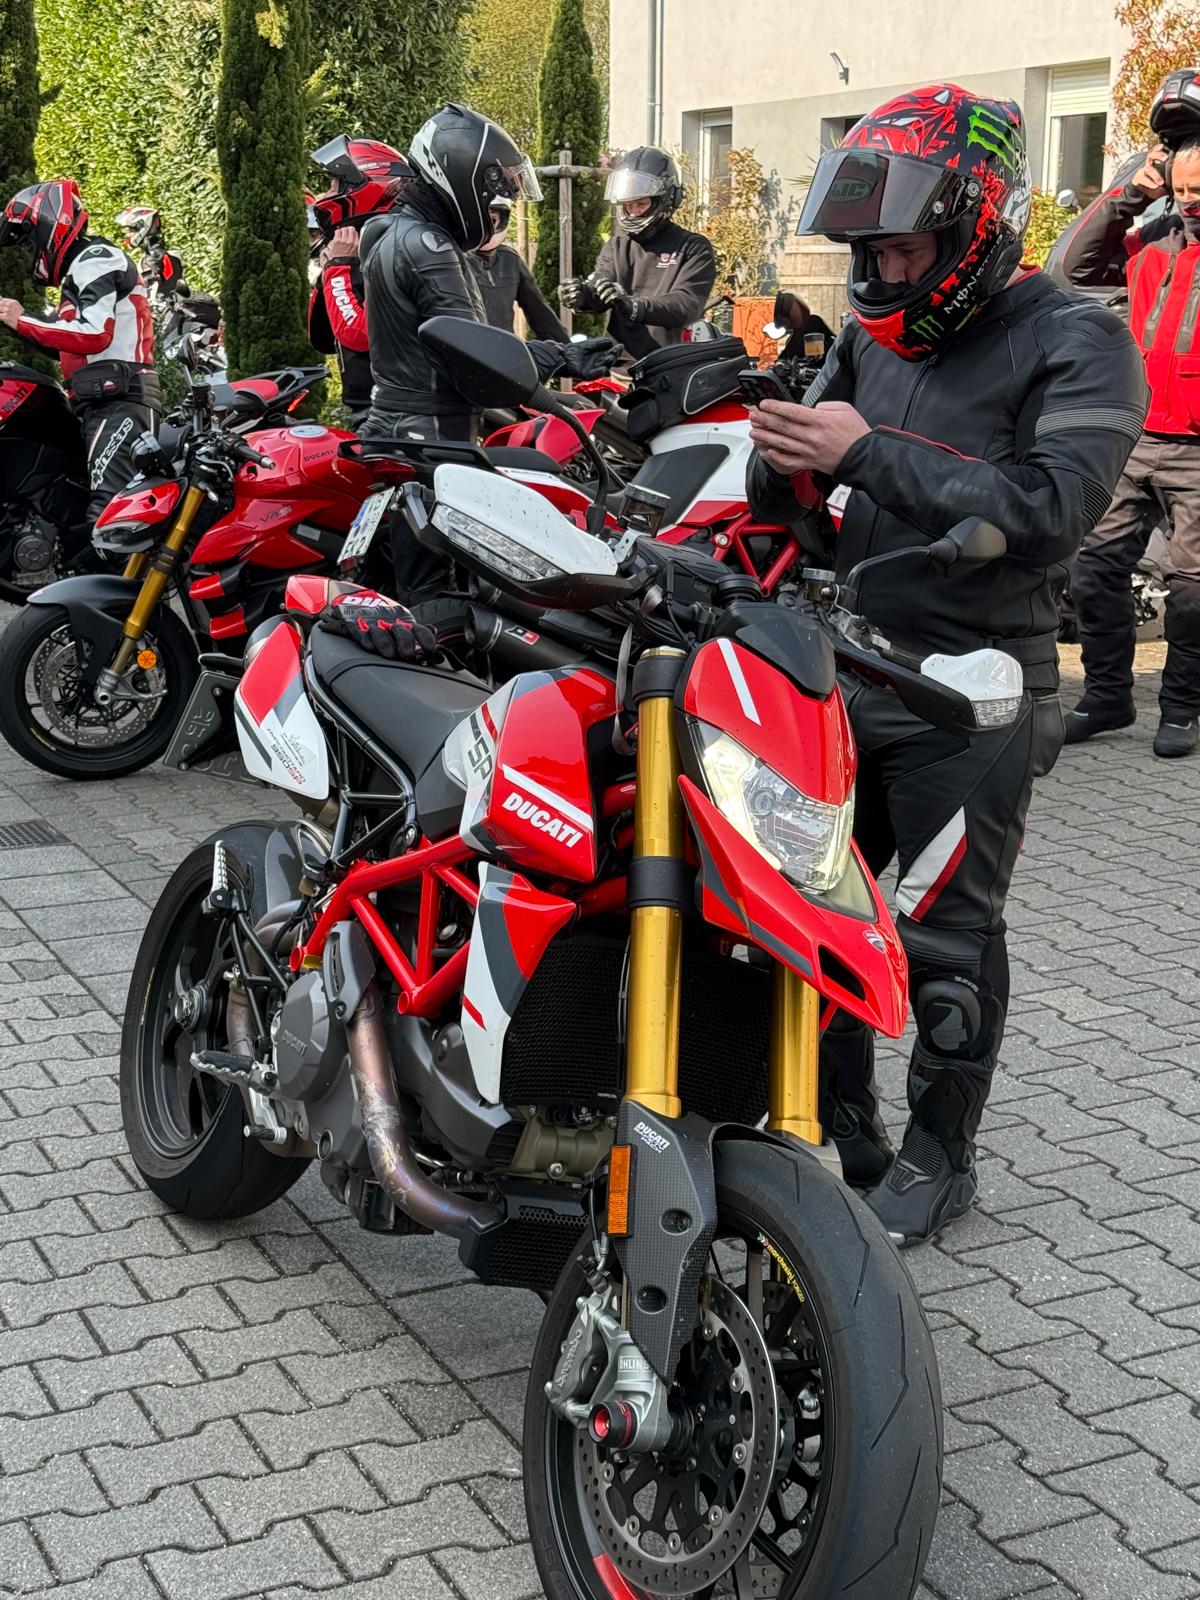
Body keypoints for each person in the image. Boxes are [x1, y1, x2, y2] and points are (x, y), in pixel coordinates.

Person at [746, 86, 1147, 1245]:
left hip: (974, 693)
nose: (882, 273)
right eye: (868, 252)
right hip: (844, 669)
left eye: (904, 251)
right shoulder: (869, 334)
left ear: (977, 226)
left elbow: (1053, 510)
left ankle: (940, 1155)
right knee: (810, 913)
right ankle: (844, 1126)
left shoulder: (1080, 339)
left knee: (944, 939)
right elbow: (810, 491)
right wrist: (782, 460)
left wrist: (866, 452)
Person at [1056, 67, 1200, 759]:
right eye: (1182, 188)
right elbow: (1070, 267)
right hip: (1135, 441)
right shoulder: (1152, 241)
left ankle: (1181, 710)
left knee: (1191, 592)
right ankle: (1107, 697)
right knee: (1094, 568)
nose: (1191, 201)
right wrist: (1127, 195)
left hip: (1197, 453)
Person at [358, 102, 614, 444]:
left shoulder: (395, 230)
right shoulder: (428, 246)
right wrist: (559, 356)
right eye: (495, 189)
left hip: (406, 431)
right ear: (464, 177)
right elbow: (474, 362)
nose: (496, 202)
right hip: (432, 438)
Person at [0, 179, 158, 530]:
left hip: (120, 401)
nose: (30, 251)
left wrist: (21, 319)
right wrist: (17, 325)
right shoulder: (81, 269)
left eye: (29, 240)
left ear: (49, 224)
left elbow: (95, 333)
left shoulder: (96, 258)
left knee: (109, 521)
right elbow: (68, 346)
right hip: (100, 402)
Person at [560, 147, 717, 358]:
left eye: (641, 204)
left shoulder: (693, 247)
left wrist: (633, 305)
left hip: (671, 364)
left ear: (666, 199)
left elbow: (686, 304)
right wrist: (581, 296)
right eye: (628, 205)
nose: (634, 212)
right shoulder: (617, 246)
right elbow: (600, 287)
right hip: (617, 364)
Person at [308, 136, 412, 430]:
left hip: (393, 412)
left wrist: (338, 268)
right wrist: (331, 270)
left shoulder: (393, 247)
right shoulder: (361, 245)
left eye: (334, 186)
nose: (326, 195)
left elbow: (360, 334)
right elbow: (322, 337)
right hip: (371, 406)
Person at [468, 198, 568, 339]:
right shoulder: (449, 260)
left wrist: (566, 346)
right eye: (478, 218)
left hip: (504, 349)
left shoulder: (509, 259)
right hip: (462, 349)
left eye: (492, 219)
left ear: (503, 219)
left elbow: (541, 313)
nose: (485, 225)